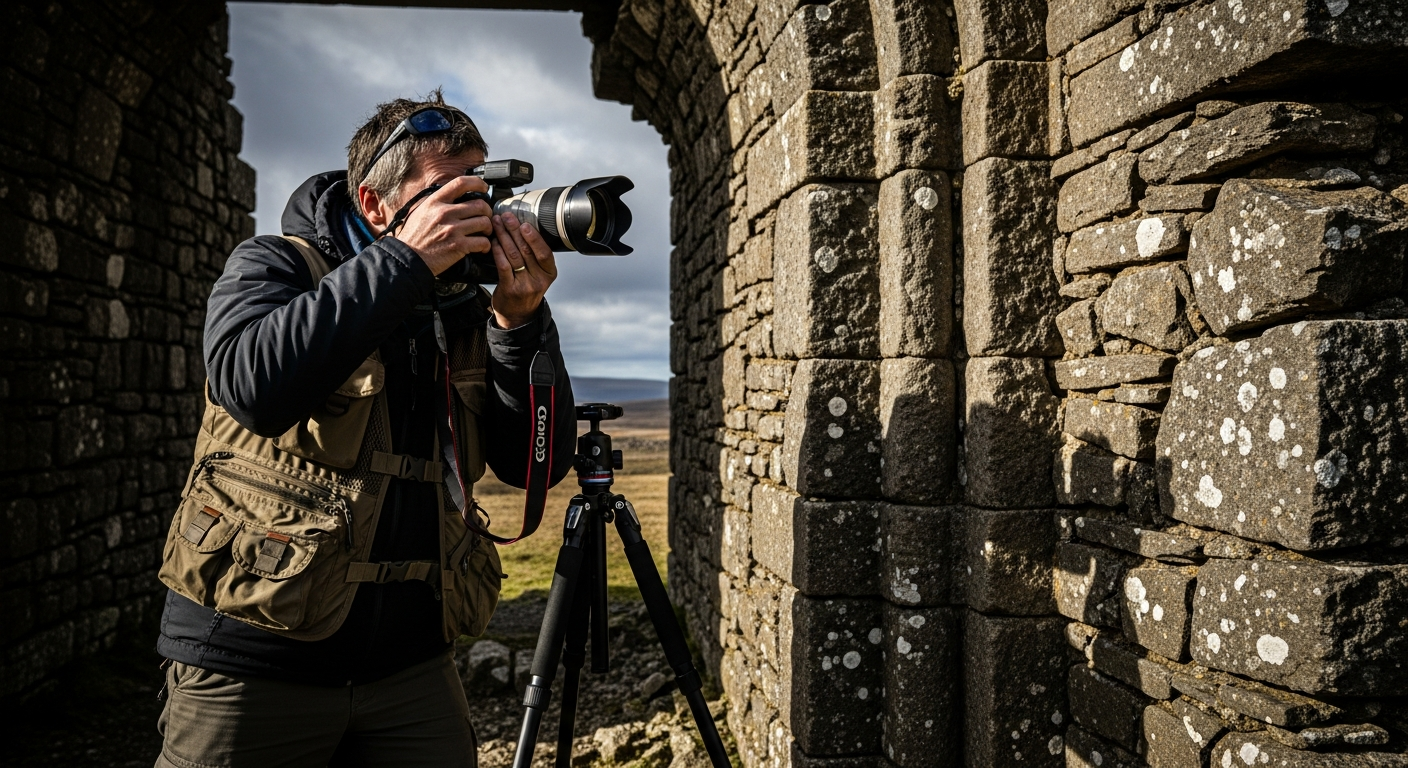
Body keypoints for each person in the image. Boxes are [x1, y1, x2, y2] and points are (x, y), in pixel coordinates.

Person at [151, 90, 574, 767]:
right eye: (449, 194)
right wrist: (404, 263)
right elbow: (253, 387)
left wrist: (519, 322)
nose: (476, 216)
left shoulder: (465, 311)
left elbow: (534, 468)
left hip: (412, 671)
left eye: (481, 194)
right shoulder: (276, 266)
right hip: (253, 657)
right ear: (376, 206)